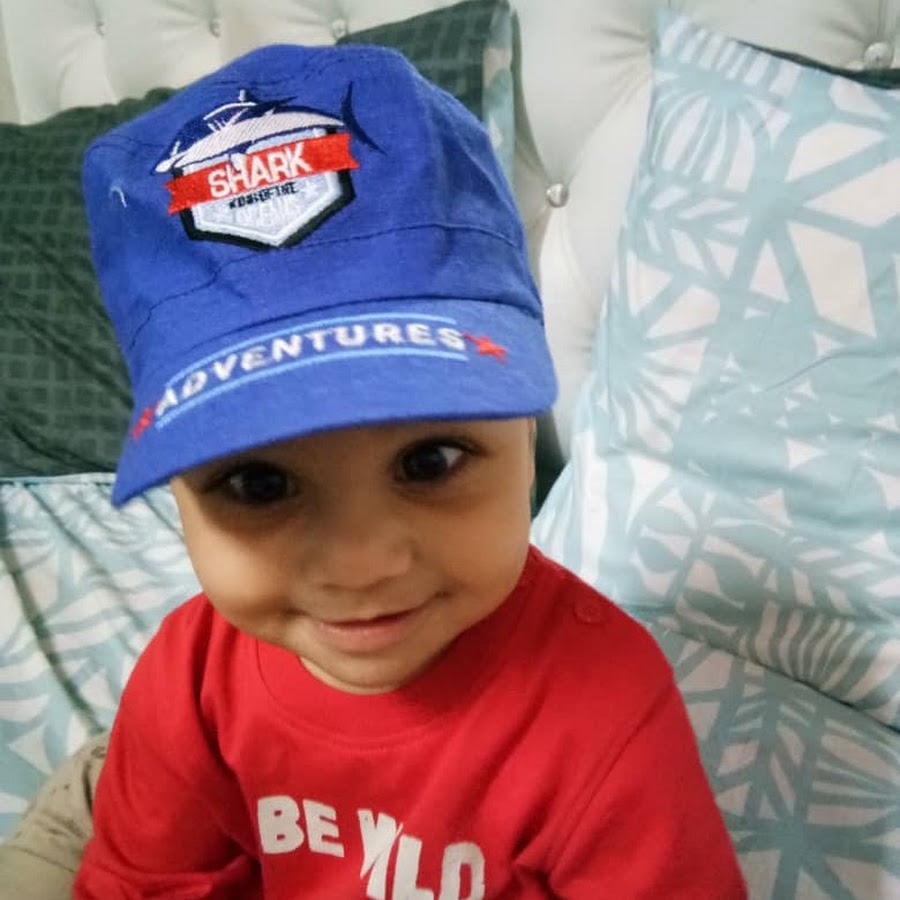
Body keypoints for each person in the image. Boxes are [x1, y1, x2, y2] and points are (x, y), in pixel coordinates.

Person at [60, 42, 746, 898]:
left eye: (430, 461)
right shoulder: (189, 680)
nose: (361, 564)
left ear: (526, 431)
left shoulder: (606, 710)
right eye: (259, 484)